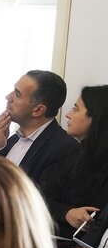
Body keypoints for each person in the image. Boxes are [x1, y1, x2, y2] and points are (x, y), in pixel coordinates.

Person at [39, 85, 108, 234]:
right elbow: (42, 198)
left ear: (97, 117)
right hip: (56, 243)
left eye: (76, 109)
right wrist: (67, 212)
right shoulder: (73, 152)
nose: (68, 115)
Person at [0, 70, 75, 187]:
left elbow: (41, 200)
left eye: (17, 94)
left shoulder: (64, 148)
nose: (8, 97)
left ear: (38, 110)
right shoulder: (12, 139)